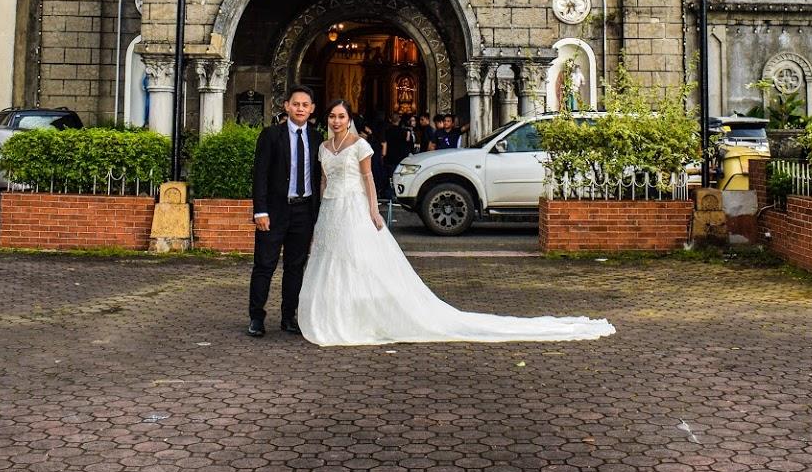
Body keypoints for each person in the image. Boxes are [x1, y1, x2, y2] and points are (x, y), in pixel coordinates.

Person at [297, 99, 614, 346]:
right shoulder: (324, 147)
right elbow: (324, 180)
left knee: (358, 258)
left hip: (354, 206)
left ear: (349, 119)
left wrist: (373, 210)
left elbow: (368, 179)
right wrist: (320, 209)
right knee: (332, 259)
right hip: (331, 209)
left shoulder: (360, 145)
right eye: (332, 116)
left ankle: (362, 313)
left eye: (341, 116)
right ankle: (336, 312)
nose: (336, 121)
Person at [247, 86, 323, 337]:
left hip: (304, 211)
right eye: (296, 104)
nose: (300, 108)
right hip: (275, 211)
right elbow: (260, 175)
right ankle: (256, 317)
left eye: (305, 105)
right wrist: (260, 211)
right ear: (287, 106)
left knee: (295, 266)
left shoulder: (317, 138)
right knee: (264, 264)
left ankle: (288, 316)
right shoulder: (271, 135)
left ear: (312, 109)